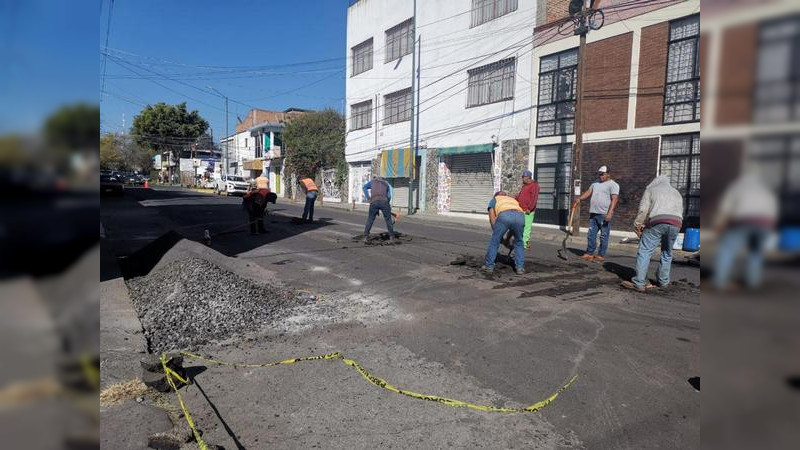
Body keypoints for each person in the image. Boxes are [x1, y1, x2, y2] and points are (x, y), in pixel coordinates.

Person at [712, 173, 778, 290]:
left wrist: (719, 224)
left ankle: (720, 281)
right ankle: (753, 282)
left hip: (744, 220)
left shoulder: (737, 187)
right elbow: (773, 209)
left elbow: (726, 207)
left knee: (727, 250)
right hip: (765, 223)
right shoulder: (765, 190)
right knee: (756, 252)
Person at [621, 175, 684, 292]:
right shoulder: (676, 193)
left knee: (645, 251)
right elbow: (679, 211)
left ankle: (639, 282)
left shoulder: (650, 190)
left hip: (658, 221)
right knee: (667, 253)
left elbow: (643, 210)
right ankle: (663, 281)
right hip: (676, 223)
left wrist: (638, 224)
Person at [572, 165, 620, 262]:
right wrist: (579, 199)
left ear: (608, 174)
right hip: (593, 213)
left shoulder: (613, 185)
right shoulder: (595, 183)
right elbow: (588, 192)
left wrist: (610, 213)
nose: (600, 176)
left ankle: (601, 255)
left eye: (602, 174)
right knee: (591, 234)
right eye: (599, 174)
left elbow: (614, 199)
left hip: (604, 214)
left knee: (603, 236)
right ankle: (589, 253)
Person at [482, 191, 526, 275]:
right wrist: (507, 240)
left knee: (494, 242)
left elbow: (492, 219)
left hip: (504, 216)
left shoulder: (494, 200)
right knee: (519, 242)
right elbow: (513, 226)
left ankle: (489, 266)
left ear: (496, 195)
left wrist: (499, 236)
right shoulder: (512, 200)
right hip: (520, 216)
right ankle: (520, 268)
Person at [362, 176, 395, 242]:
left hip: (374, 202)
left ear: (375, 179)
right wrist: (387, 204)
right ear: (383, 179)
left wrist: (368, 198)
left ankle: (365, 236)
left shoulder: (372, 182)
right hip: (384, 202)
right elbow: (389, 196)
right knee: (388, 219)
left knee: (370, 219)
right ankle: (391, 237)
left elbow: (364, 187)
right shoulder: (386, 184)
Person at [516, 170, 540, 250]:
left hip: (528, 211)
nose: (522, 179)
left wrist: (530, 208)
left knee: (526, 227)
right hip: (521, 209)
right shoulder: (525, 185)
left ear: (528, 177)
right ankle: (522, 241)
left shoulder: (534, 185)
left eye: (523, 177)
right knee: (520, 226)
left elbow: (534, 198)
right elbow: (521, 196)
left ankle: (524, 244)